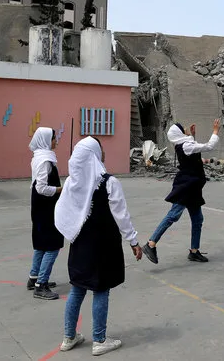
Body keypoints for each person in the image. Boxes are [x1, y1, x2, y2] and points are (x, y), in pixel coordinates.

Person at [54, 136, 143, 356]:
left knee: (78, 288)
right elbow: (122, 216)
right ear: (95, 155)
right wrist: (133, 240)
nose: (103, 152)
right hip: (103, 245)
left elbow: (63, 210)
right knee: (101, 289)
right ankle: (100, 340)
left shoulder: (72, 184)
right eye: (100, 149)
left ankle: (69, 337)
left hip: (79, 244)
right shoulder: (109, 182)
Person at [142, 119, 220, 264]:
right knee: (173, 215)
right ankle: (150, 244)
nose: (185, 130)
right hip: (187, 186)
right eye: (182, 129)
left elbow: (193, 149)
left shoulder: (184, 143)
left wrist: (193, 135)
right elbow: (208, 146)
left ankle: (194, 251)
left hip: (193, 186)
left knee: (197, 219)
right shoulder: (186, 145)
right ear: (179, 133)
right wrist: (215, 131)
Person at [28, 127, 64, 300]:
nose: (56, 141)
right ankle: (41, 285)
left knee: (42, 242)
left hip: (40, 206)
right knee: (53, 245)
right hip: (45, 206)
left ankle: (34, 277)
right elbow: (41, 187)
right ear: (46, 140)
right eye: (53, 138)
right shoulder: (44, 161)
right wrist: (61, 190)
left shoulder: (40, 156)